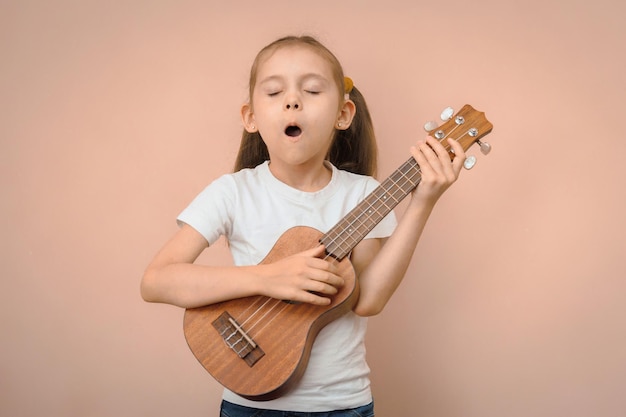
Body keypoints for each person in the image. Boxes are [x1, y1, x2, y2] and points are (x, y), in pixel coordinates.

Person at [141, 35, 466, 416]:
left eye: (312, 90)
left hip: (343, 405)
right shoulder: (232, 192)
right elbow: (156, 281)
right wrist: (268, 278)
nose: (292, 100)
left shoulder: (363, 194)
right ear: (251, 118)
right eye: (275, 91)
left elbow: (368, 300)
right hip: (248, 405)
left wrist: (423, 202)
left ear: (343, 114)